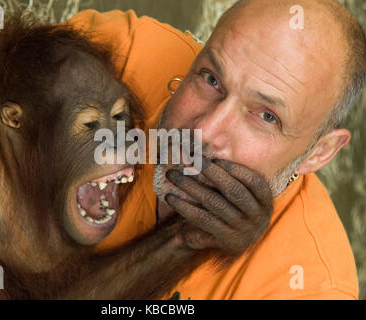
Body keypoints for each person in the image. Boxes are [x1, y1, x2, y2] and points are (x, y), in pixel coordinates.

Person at [67, 0, 365, 299]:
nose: (202, 133)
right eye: (211, 79)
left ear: (319, 153)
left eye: (266, 116)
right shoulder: (120, 55)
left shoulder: (306, 287)